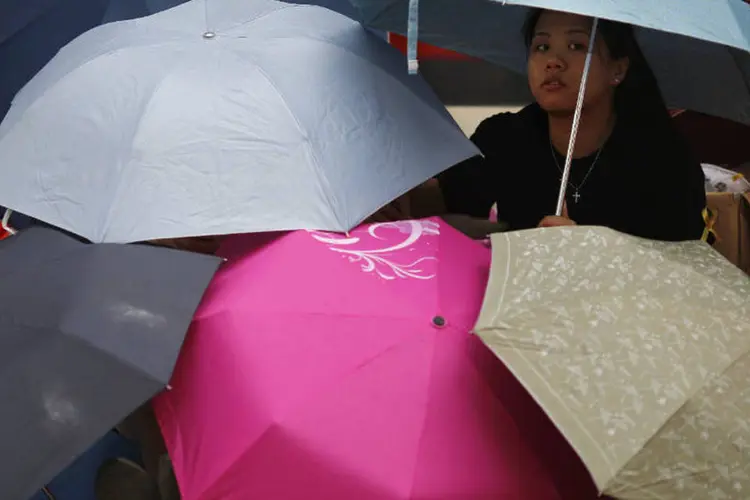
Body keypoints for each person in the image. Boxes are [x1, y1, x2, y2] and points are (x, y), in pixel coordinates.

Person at [438, 9, 706, 241]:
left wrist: (586, 250)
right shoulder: (505, 137)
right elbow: (451, 204)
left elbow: (680, 262)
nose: (553, 62)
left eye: (576, 46)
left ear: (618, 69)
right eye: (541, 47)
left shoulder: (662, 157)